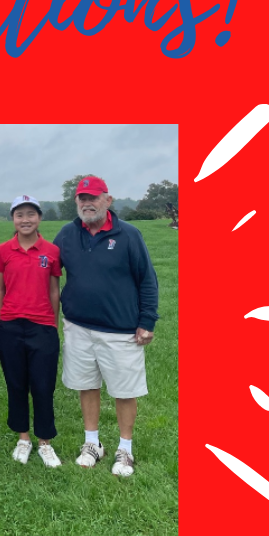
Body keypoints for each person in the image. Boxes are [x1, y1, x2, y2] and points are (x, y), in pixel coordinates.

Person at [53, 175, 159, 477]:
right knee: (87, 384)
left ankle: (125, 449)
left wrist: (147, 321)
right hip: (78, 326)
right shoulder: (67, 234)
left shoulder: (129, 234)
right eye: (82, 199)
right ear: (76, 202)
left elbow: (147, 279)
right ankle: (92, 444)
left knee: (124, 390)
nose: (87, 203)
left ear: (107, 201)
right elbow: (46, 267)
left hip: (121, 330)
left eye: (93, 198)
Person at [0, 196, 62, 468]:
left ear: (39, 218)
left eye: (30, 214)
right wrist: (2, 318)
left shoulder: (52, 251)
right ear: (13, 219)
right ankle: (23, 438)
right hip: (10, 325)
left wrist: (52, 323)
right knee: (16, 383)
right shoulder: (3, 251)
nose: (25, 220)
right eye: (19, 215)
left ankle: (45, 441)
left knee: (43, 385)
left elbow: (54, 289)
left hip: (42, 326)